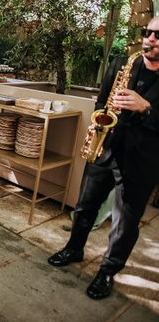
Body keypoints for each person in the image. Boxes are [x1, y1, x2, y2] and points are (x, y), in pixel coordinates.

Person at [47, 17, 159, 300]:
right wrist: (98, 121)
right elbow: (101, 100)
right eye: (147, 32)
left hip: (141, 162)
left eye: (158, 35)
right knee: (85, 206)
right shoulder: (123, 63)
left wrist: (146, 107)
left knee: (125, 223)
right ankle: (74, 248)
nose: (150, 38)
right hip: (106, 148)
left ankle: (107, 271)